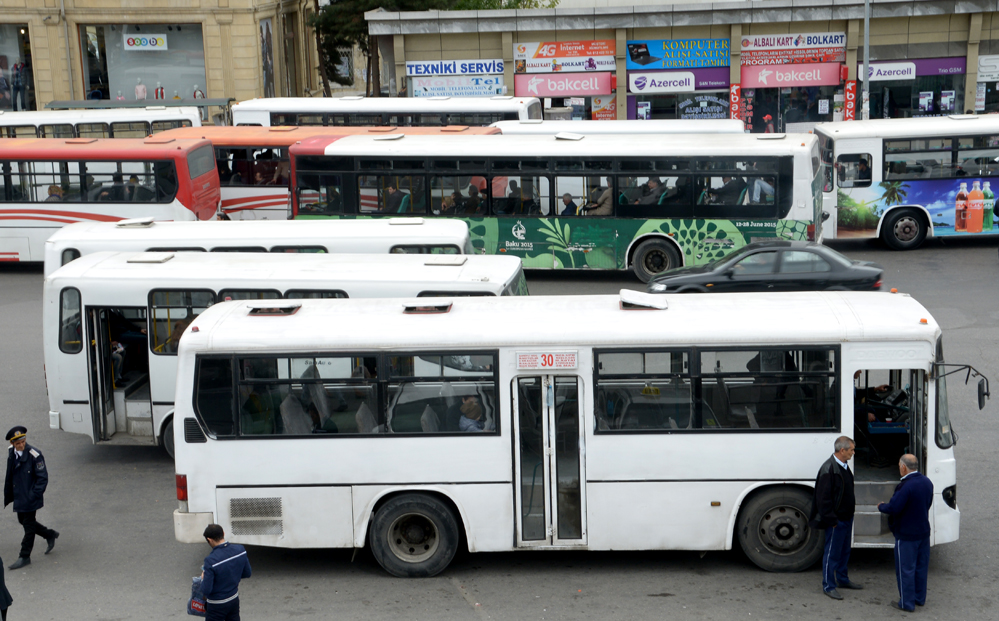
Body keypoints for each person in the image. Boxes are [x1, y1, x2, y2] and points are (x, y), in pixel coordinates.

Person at [878, 454, 934, 612]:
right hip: (923, 531)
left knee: (906, 570)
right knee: (921, 568)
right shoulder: (927, 482)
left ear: (903, 467)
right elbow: (927, 503)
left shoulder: (905, 486)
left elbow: (894, 508)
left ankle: (906, 603)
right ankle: (919, 598)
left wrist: (881, 506)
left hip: (907, 535)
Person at [809, 436, 861, 600]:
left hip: (846, 518)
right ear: (842, 450)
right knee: (832, 553)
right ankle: (828, 586)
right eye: (851, 449)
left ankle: (843, 580)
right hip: (836, 521)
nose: (853, 452)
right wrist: (832, 521)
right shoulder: (829, 469)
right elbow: (823, 500)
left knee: (844, 551)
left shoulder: (844, 467)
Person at [4, 426, 59, 570]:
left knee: (28, 527)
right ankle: (49, 534)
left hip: (29, 498)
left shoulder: (35, 455)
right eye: (18, 443)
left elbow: (42, 478)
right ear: (12, 443)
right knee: (23, 521)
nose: (21, 445)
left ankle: (24, 556)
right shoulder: (12, 453)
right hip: (19, 497)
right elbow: (10, 475)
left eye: (23, 441)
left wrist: (33, 495)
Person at [200, 524, 251, 621]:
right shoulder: (240, 550)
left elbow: (206, 590)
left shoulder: (210, 560)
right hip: (233, 599)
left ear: (209, 540)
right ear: (223, 533)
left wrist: (203, 578)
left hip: (216, 606)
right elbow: (247, 573)